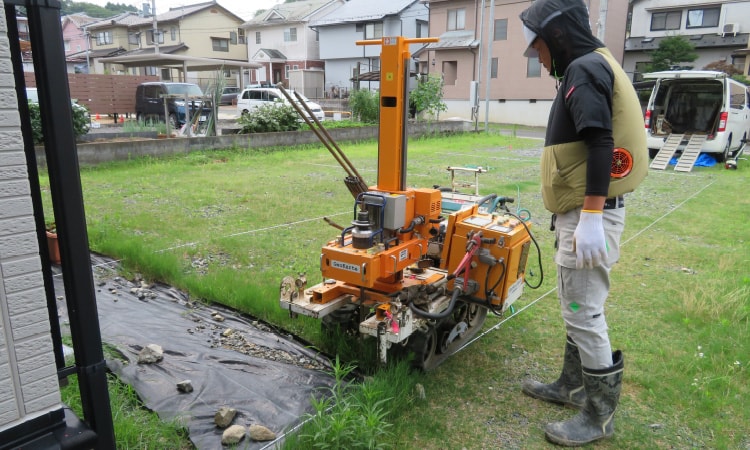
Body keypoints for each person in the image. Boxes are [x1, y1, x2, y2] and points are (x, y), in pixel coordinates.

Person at [518, 0, 647, 446]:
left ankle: (597, 417)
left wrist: (591, 215)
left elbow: (600, 143)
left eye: (538, 46)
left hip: (590, 217)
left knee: (584, 312)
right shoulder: (592, 65)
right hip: (582, 214)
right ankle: (571, 386)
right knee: (577, 307)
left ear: (557, 37)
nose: (536, 56)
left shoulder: (584, 70)